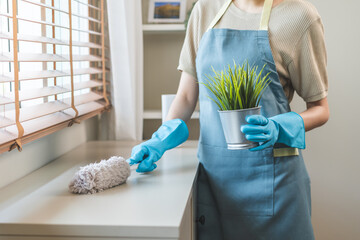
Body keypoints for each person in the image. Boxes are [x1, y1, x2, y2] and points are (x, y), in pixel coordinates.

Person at [129, 0, 330, 239]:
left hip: (275, 187)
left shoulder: (301, 17)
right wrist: (159, 141)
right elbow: (185, 96)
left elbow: (320, 109)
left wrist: (280, 127)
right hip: (215, 185)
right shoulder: (204, 10)